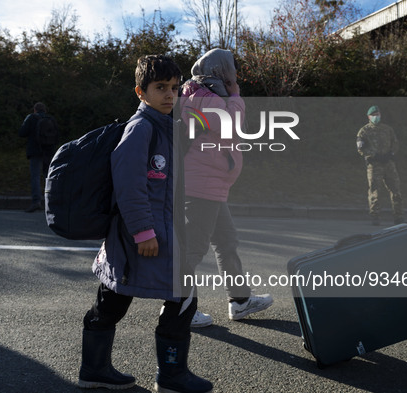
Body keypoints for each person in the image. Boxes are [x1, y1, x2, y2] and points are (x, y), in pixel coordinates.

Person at [78, 55, 212, 393]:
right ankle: (169, 376)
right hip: (142, 236)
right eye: (160, 88)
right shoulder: (141, 129)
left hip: (155, 234)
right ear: (141, 91)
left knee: (125, 298)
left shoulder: (166, 126)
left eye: (175, 87)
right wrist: (143, 233)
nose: (170, 94)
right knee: (157, 298)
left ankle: (97, 370)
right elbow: (129, 185)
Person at [179, 48, 273, 328]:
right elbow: (232, 127)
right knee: (194, 250)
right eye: (231, 67)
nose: (235, 72)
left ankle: (240, 301)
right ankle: (180, 309)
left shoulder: (205, 93)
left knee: (227, 243)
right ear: (220, 70)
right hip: (200, 185)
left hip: (211, 184)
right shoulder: (202, 96)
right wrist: (235, 96)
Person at [356, 105, 405, 226]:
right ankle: (375, 216)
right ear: (368, 117)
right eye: (373, 115)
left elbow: (395, 143)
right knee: (375, 192)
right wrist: (373, 155)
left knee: (396, 190)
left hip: (388, 164)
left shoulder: (387, 129)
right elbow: (360, 148)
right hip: (374, 165)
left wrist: (391, 154)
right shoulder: (364, 131)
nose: (376, 117)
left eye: (377, 114)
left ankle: (398, 217)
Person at [19, 102, 59, 212]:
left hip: (35, 151)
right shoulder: (51, 118)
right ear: (45, 110)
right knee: (49, 176)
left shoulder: (31, 118)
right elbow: (57, 135)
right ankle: (52, 201)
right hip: (49, 152)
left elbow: (22, 133)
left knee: (35, 177)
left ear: (34, 109)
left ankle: (36, 202)